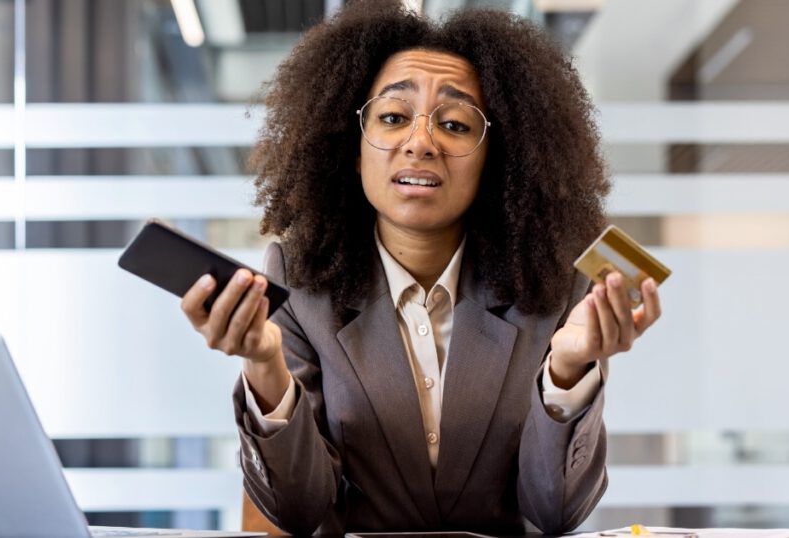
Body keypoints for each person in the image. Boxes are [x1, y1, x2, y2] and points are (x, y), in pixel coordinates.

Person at [180, 1, 662, 534]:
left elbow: (554, 512)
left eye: (455, 124)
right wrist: (265, 366)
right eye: (391, 117)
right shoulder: (299, 280)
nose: (421, 143)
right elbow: (298, 510)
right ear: (351, 144)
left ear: (497, 155)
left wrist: (567, 371)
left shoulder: (556, 286)